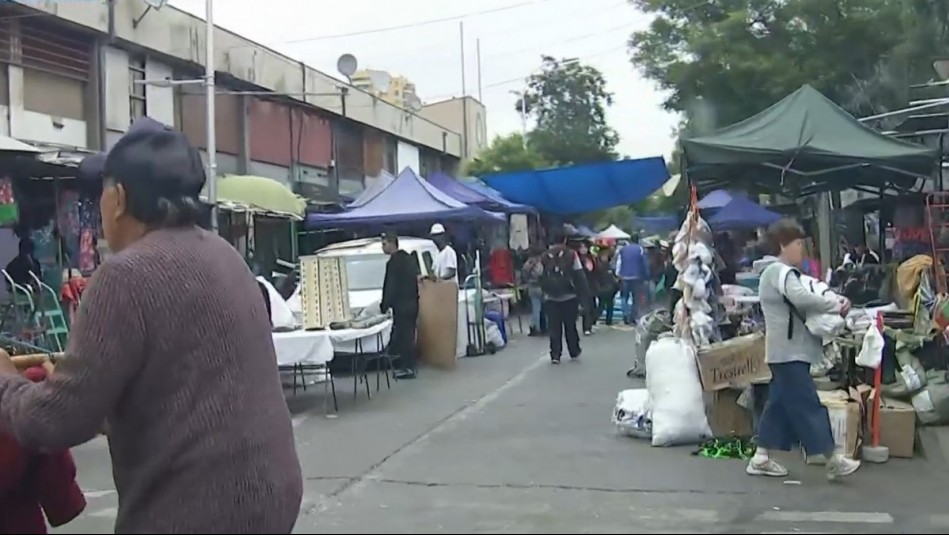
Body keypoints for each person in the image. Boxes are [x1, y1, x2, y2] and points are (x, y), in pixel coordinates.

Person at [0, 125, 302, 532]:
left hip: (196, 511)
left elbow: (54, 423)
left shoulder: (125, 275)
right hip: (268, 494)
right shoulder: (223, 254)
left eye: (101, 194)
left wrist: (6, 381)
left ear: (119, 198)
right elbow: (184, 392)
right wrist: (87, 396)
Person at [747, 218, 860, 480]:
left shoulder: (774, 272)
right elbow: (802, 298)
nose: (801, 249)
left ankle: (761, 457)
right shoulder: (780, 272)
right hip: (789, 352)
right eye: (797, 244)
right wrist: (835, 305)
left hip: (784, 351)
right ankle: (833, 459)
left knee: (778, 405)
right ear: (782, 245)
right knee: (809, 405)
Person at [540, 230, 590, 364]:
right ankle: (574, 350)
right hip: (569, 296)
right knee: (570, 325)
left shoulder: (544, 256)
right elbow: (579, 275)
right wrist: (583, 297)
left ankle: (555, 354)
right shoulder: (571, 254)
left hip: (550, 297)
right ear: (565, 240)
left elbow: (541, 275)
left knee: (554, 327)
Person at [381, 232, 420, 380]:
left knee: (404, 337)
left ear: (392, 243)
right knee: (409, 335)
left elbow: (390, 286)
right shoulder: (409, 260)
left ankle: (407, 367)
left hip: (401, 306)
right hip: (413, 303)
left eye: (384, 244)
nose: (383, 247)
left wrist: (384, 305)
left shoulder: (394, 263)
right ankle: (410, 365)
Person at [616, 233, 649, 324]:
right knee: (635, 298)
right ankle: (633, 317)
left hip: (624, 277)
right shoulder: (640, 249)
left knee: (624, 297)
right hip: (637, 277)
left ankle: (625, 316)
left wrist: (618, 274)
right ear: (637, 240)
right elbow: (644, 263)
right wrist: (646, 275)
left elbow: (618, 263)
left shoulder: (622, 249)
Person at [522, 244, 546, 336]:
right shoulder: (541, 262)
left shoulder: (528, 263)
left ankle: (535, 328)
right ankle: (545, 327)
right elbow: (542, 273)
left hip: (531, 286)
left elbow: (524, 273)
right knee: (545, 308)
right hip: (541, 286)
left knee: (536, 308)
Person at [577, 240, 598, 335]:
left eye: (585, 247)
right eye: (581, 247)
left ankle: (590, 324)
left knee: (592, 306)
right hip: (582, 286)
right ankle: (586, 328)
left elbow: (596, 271)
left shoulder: (591, 258)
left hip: (592, 285)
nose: (583, 249)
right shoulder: (577, 260)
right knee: (586, 307)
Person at [593, 247, 619, 326]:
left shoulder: (605, 266)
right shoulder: (601, 267)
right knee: (604, 305)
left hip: (607, 288)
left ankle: (601, 319)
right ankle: (597, 319)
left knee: (606, 305)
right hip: (605, 288)